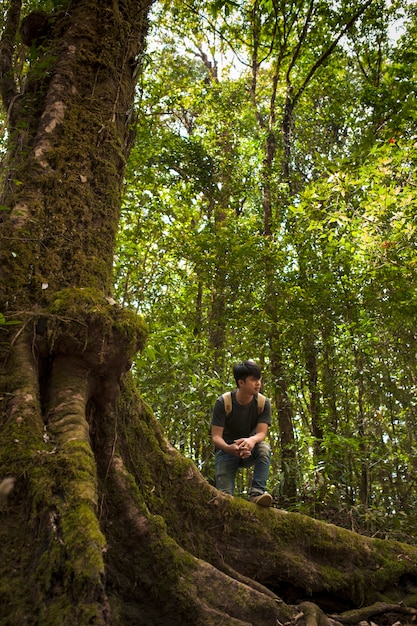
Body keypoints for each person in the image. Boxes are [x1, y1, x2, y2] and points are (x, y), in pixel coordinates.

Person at [211, 360, 272, 507]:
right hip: (226, 451)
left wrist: (251, 441)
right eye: (253, 380)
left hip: (250, 449)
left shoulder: (263, 403)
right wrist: (229, 448)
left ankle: (257, 493)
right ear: (241, 383)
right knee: (226, 500)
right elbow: (216, 436)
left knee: (264, 448)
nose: (258, 383)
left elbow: (261, 433)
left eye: (259, 379)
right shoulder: (223, 402)